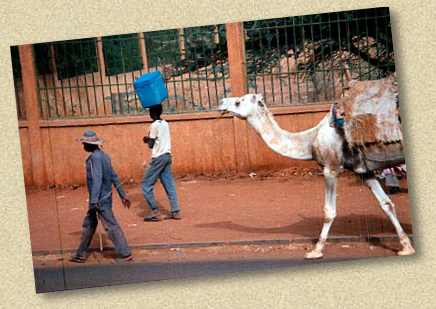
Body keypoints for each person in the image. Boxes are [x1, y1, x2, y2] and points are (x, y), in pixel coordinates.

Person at [70, 130, 133, 263]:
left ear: (89, 144)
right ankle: (80, 254)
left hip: (99, 200)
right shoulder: (105, 156)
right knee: (89, 225)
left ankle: (126, 253)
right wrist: (123, 195)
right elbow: (114, 177)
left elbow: (97, 179)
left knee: (111, 226)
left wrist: (93, 201)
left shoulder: (94, 158)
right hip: (105, 197)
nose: (83, 146)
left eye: (84, 143)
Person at [142, 104, 181, 221]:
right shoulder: (165, 123)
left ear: (152, 113)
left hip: (158, 157)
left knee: (146, 185)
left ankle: (155, 211)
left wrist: (146, 139)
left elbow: (151, 145)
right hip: (167, 156)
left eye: (150, 111)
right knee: (169, 184)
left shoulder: (154, 125)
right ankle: (176, 211)